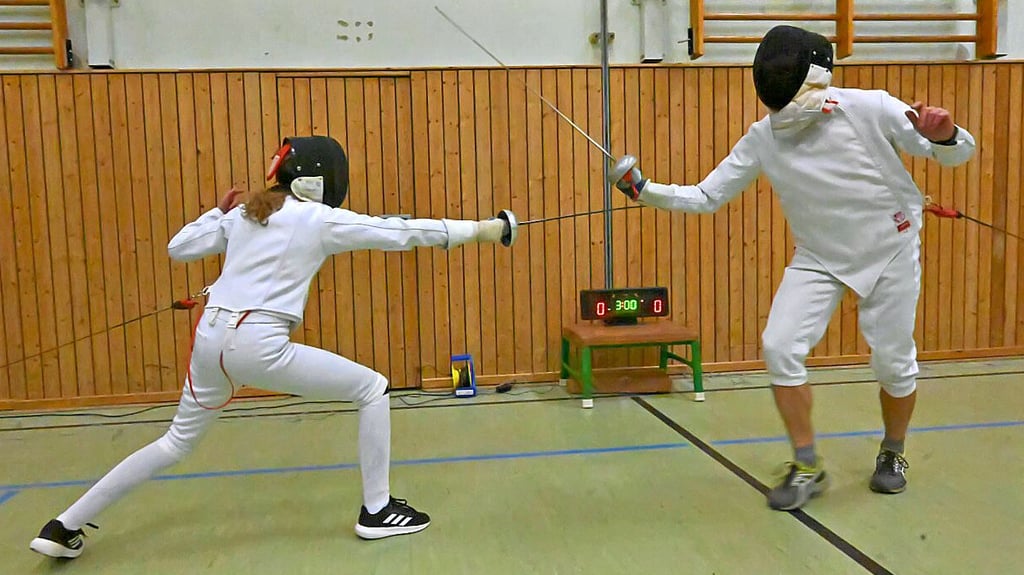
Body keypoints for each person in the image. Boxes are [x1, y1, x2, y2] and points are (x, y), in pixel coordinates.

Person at [30, 135, 515, 558]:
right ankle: (377, 510)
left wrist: (218, 210)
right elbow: (399, 231)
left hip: (210, 341)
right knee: (373, 388)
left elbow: (178, 247)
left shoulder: (245, 214)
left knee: (175, 443)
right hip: (258, 344)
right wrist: (485, 230)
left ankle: (63, 525)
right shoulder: (316, 219)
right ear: (323, 178)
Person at [609, 25, 975, 511]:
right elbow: (706, 195)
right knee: (779, 347)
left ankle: (893, 452)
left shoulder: (870, 107)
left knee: (892, 360)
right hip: (820, 257)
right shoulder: (763, 138)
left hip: (891, 248)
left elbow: (957, 154)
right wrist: (644, 190)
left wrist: (945, 134)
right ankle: (807, 465)